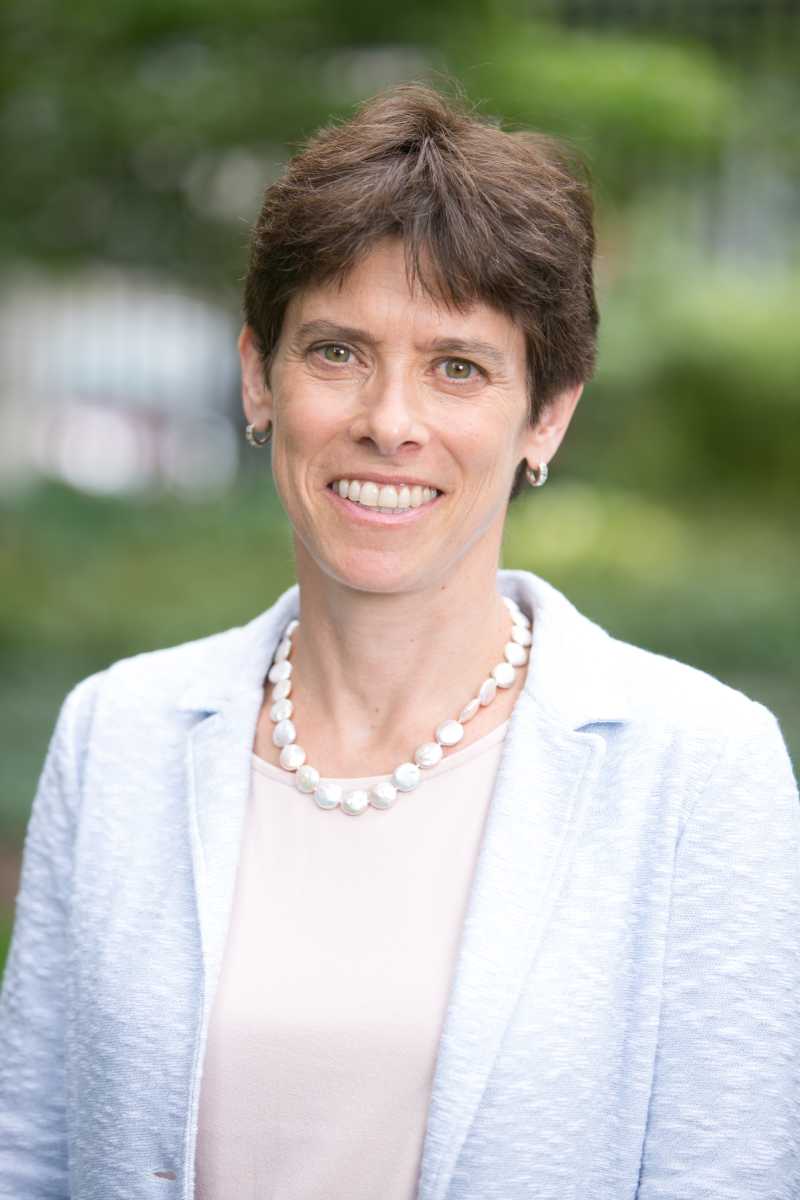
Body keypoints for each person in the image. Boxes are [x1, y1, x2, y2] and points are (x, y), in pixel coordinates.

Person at [0, 83, 797, 1200]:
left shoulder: (700, 768)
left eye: (457, 366)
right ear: (257, 376)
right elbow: (28, 1159)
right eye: (337, 353)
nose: (389, 421)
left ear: (547, 414)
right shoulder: (115, 734)